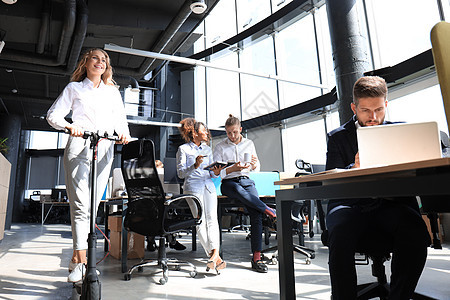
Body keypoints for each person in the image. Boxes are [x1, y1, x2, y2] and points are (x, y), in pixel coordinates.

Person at [325, 76, 430, 299]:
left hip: (391, 204)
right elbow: (331, 180)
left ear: (386, 105)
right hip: (349, 204)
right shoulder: (338, 138)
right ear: (354, 107)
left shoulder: (401, 133)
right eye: (365, 111)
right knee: (340, 232)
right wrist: (353, 167)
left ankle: (399, 296)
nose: (373, 117)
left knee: (415, 230)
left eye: (379, 110)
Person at [47, 48, 131, 283]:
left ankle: (77, 259)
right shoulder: (74, 88)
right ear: (86, 62)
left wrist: (124, 134)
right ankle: (82, 261)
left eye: (104, 59)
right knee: (81, 205)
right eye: (95, 57)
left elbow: (120, 119)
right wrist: (69, 126)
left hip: (105, 148)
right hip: (80, 145)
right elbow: (53, 115)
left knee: (92, 206)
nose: (100, 62)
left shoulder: (113, 92)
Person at [213, 115, 276, 273]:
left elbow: (256, 167)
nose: (232, 136)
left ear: (240, 129)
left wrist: (255, 165)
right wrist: (232, 169)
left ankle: (256, 258)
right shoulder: (220, 147)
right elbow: (216, 173)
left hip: (246, 180)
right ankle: (269, 210)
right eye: (228, 133)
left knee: (255, 212)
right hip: (229, 183)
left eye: (234, 132)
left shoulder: (249, 143)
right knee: (237, 190)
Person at [176, 118, 226, 273]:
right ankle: (214, 257)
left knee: (213, 220)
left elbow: (211, 173)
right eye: (204, 131)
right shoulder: (183, 149)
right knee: (201, 221)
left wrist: (216, 173)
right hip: (193, 187)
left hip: (208, 185)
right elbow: (180, 173)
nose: (207, 134)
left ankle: (214, 255)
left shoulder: (207, 149)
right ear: (195, 133)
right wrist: (195, 166)